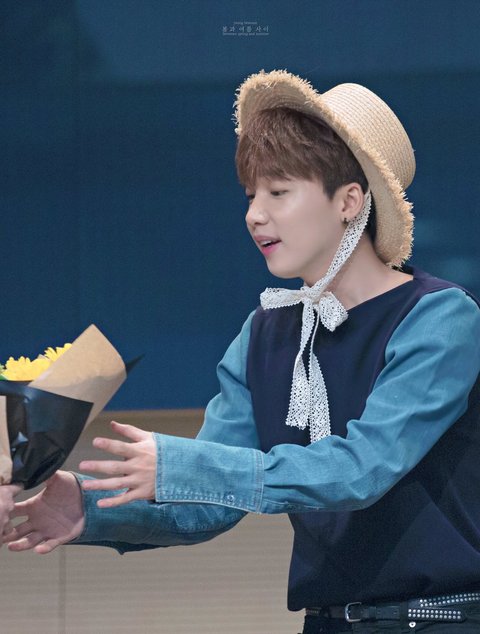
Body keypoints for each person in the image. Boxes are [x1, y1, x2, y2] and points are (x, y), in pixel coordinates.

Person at [6, 69, 480, 633]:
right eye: (251, 194)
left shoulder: (438, 318)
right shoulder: (264, 333)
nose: (255, 214)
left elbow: (362, 469)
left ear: (349, 201)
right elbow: (209, 503)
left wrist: (183, 464)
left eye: (279, 192)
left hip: (439, 620)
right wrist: (86, 507)